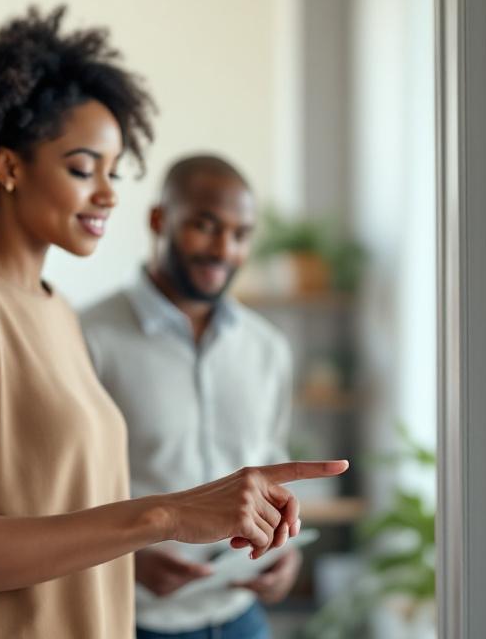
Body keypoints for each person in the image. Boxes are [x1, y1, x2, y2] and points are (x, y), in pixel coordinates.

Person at [0, 7, 347, 638]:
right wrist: (165, 518)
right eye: (82, 168)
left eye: (112, 171)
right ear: (10, 167)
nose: (107, 194)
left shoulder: (57, 312)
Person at [81, 156, 295, 639]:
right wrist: (129, 560)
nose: (224, 249)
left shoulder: (268, 349)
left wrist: (287, 552)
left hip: (241, 616)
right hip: (131, 619)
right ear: (159, 220)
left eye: (241, 234)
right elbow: (59, 490)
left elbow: (272, 466)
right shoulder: (86, 338)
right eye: (205, 226)